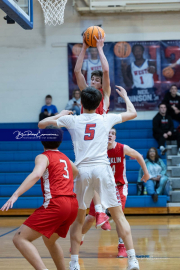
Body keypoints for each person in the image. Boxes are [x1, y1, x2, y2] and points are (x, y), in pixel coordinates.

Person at [38, 85, 146, 270]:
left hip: (83, 171)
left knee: (79, 219)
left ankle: (73, 263)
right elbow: (133, 113)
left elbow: (42, 125)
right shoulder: (106, 118)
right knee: (119, 216)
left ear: (81, 102)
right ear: (99, 104)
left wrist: (60, 114)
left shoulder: (73, 120)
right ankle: (132, 260)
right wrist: (126, 97)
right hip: (103, 170)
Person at [1, 125, 79, 270]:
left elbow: (36, 174)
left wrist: (15, 194)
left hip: (57, 204)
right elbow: (76, 172)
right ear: (60, 141)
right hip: (72, 204)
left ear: (42, 140)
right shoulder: (65, 158)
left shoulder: (43, 156)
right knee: (49, 240)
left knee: (19, 238)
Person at [81, 127, 149, 258]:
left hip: (118, 186)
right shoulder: (98, 150)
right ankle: (80, 238)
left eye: (112, 133)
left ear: (115, 136)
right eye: (107, 133)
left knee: (119, 218)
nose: (110, 135)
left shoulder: (122, 148)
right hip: (100, 187)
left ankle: (122, 245)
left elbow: (139, 155)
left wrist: (146, 172)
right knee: (90, 218)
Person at [74, 31, 112, 228]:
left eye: (97, 81)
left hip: (98, 135)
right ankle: (97, 212)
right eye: (93, 80)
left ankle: (99, 211)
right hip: (84, 135)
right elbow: (77, 71)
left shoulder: (104, 94)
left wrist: (99, 48)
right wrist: (84, 48)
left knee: (95, 176)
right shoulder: (86, 94)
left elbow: (105, 71)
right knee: (88, 177)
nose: (94, 83)